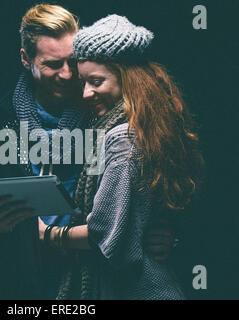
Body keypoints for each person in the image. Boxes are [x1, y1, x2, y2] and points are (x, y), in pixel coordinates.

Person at [0, 4, 175, 299]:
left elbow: (154, 192)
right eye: (53, 64)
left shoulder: (105, 113)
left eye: (73, 61)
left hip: (98, 283)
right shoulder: (0, 123)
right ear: (26, 59)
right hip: (30, 285)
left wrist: (167, 233)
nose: (68, 75)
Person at [38, 14, 204, 299]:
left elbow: (104, 233)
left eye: (97, 81)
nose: (87, 92)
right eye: (83, 83)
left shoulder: (122, 138)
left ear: (127, 79)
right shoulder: (150, 126)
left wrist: (48, 235)